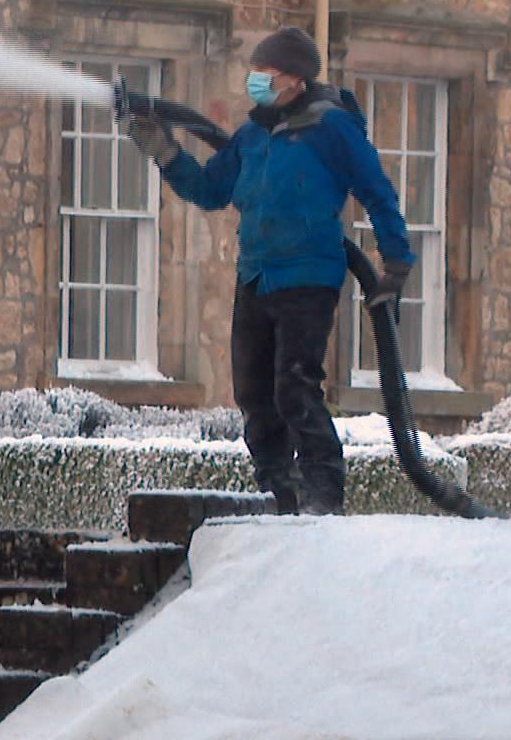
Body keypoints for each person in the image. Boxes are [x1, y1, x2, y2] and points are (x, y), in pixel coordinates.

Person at [122, 27, 414, 516]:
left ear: (295, 79)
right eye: (253, 71)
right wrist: (166, 153)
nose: (255, 80)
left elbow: (377, 192)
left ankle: (323, 496)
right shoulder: (254, 135)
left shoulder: (333, 128)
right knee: (254, 396)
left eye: (265, 73)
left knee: (295, 387)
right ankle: (279, 495)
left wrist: (396, 261)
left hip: (308, 277)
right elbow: (212, 190)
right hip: (255, 275)